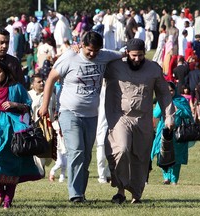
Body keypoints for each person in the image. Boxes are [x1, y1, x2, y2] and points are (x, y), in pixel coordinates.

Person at [38, 31, 124, 202]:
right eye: (89, 50)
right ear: (82, 45)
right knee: (76, 151)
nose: (92, 54)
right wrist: (45, 105)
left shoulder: (104, 55)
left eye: (96, 51)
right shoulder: (70, 56)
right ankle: (75, 195)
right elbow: (51, 79)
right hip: (69, 112)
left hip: (92, 115)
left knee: (86, 156)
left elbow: (124, 52)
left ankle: (81, 194)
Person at [104, 38, 175, 204]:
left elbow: (164, 93)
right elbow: (94, 64)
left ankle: (136, 194)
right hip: (120, 116)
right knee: (121, 149)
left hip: (143, 118)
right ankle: (120, 190)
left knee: (141, 157)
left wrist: (169, 117)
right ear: (127, 53)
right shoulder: (114, 66)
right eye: (134, 55)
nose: (137, 59)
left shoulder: (153, 69)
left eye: (141, 55)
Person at [0, 59, 42, 209]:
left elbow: (28, 106)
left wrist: (15, 105)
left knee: (12, 165)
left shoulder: (16, 88)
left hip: (14, 133)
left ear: (5, 72)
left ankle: (7, 200)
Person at [151, 82, 194, 185]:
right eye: (167, 90)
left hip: (178, 131)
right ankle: (166, 178)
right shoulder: (161, 100)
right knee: (163, 153)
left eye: (171, 90)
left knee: (177, 156)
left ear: (175, 90)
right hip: (164, 131)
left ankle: (174, 179)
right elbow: (156, 114)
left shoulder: (181, 100)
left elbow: (188, 114)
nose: (169, 93)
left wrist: (178, 110)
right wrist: (164, 106)